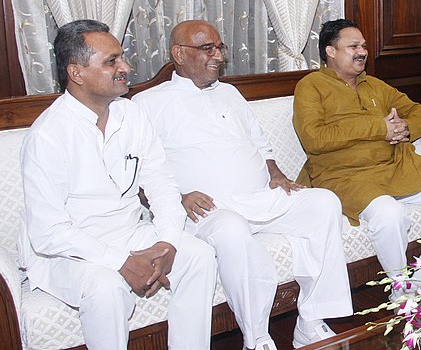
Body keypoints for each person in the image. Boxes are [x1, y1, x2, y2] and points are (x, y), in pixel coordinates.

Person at [133, 20, 353, 350]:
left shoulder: (230, 93)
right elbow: (136, 174)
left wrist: (276, 174)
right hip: (207, 209)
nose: (218, 56)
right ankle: (257, 337)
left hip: (260, 197)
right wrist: (178, 198)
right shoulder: (146, 104)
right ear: (178, 53)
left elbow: (261, 146)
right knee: (232, 229)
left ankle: (310, 320)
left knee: (324, 203)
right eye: (208, 48)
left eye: (219, 48)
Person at [18, 19, 217, 349]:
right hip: (67, 251)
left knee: (197, 255)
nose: (125, 67)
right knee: (105, 285)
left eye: (121, 57)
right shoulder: (48, 136)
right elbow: (49, 232)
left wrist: (167, 242)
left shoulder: (132, 114)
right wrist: (120, 261)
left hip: (128, 232)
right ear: (76, 73)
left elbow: (161, 183)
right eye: (111, 61)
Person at [292, 19, 421, 298]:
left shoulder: (374, 86)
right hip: (345, 175)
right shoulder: (311, 86)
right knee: (390, 214)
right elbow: (314, 139)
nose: (362, 51)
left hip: (396, 166)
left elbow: (420, 114)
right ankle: (400, 289)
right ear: (330, 52)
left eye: (363, 46)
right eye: (353, 46)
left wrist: (404, 129)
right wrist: (380, 127)